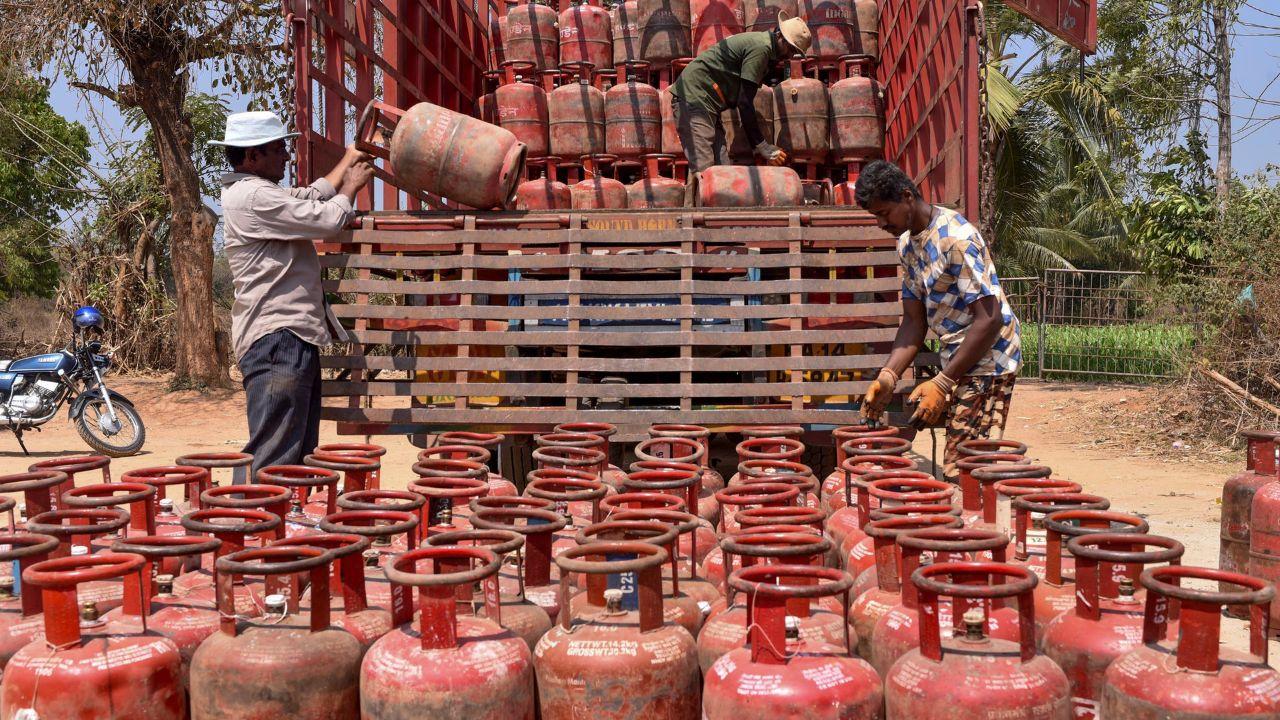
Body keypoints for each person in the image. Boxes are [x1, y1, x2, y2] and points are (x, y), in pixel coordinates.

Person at [213, 111, 374, 476]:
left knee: (295, 451)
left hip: (288, 336)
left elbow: (312, 196)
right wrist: (351, 186)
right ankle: (255, 523)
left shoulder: (257, 192)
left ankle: (277, 524)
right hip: (277, 337)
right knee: (274, 453)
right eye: (279, 149)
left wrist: (348, 159)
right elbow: (326, 219)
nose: (287, 156)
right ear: (252, 156)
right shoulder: (254, 196)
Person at [854, 159, 1022, 484]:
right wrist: (888, 377)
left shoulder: (957, 239)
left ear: (906, 196)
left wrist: (943, 383)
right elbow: (913, 323)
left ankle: (979, 525)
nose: (879, 223)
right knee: (964, 464)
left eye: (883, 213)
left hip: (989, 359)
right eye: (874, 215)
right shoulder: (907, 245)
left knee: (964, 470)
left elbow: (990, 319)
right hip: (958, 357)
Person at [669, 12, 811, 173]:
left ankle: (707, 198)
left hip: (707, 104)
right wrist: (762, 146)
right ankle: (698, 198)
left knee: (721, 170)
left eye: (795, 52)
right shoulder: (761, 48)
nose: (790, 55)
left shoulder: (764, 49)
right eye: (791, 49)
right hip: (693, 98)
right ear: (779, 36)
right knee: (705, 171)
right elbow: (744, 103)